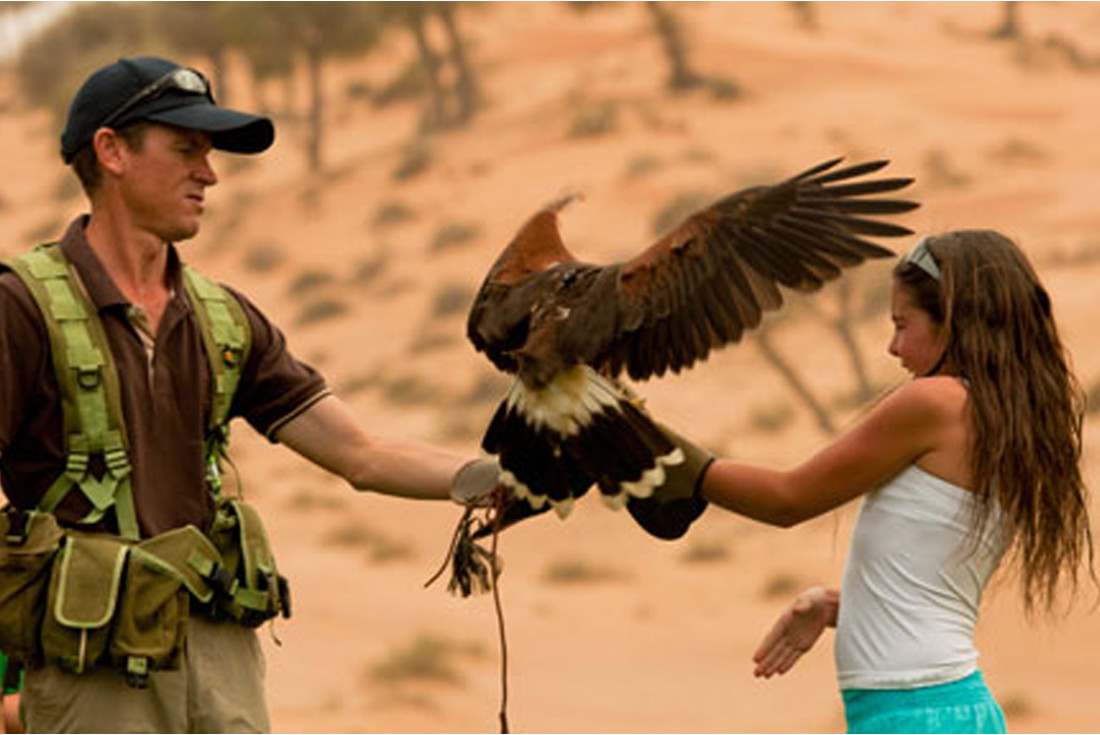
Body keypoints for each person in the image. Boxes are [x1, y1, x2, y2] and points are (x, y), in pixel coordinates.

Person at [0, 56, 495, 733]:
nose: (209, 172)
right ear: (111, 152)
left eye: (208, 154)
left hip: (220, 664)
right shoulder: (19, 307)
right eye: (185, 150)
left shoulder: (222, 317)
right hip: (92, 675)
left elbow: (363, 453)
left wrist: (499, 479)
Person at [661, 231, 1094, 733]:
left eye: (901, 324)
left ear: (952, 319)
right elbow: (933, 583)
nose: (893, 346)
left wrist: (645, 447)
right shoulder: (1007, 417)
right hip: (950, 710)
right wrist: (840, 606)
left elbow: (787, 499)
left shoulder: (936, 404)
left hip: (914, 715)